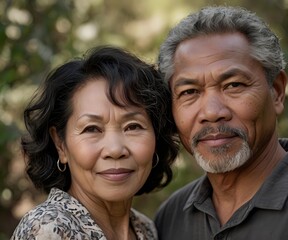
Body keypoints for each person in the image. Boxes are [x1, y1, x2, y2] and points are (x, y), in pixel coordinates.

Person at [154, 6, 288, 240]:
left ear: (277, 92)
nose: (212, 113)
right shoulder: (171, 218)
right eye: (190, 91)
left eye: (234, 85)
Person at [11, 46, 179, 240]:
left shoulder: (146, 230)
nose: (115, 150)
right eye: (92, 129)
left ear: (156, 138)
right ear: (60, 144)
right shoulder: (48, 229)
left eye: (133, 126)